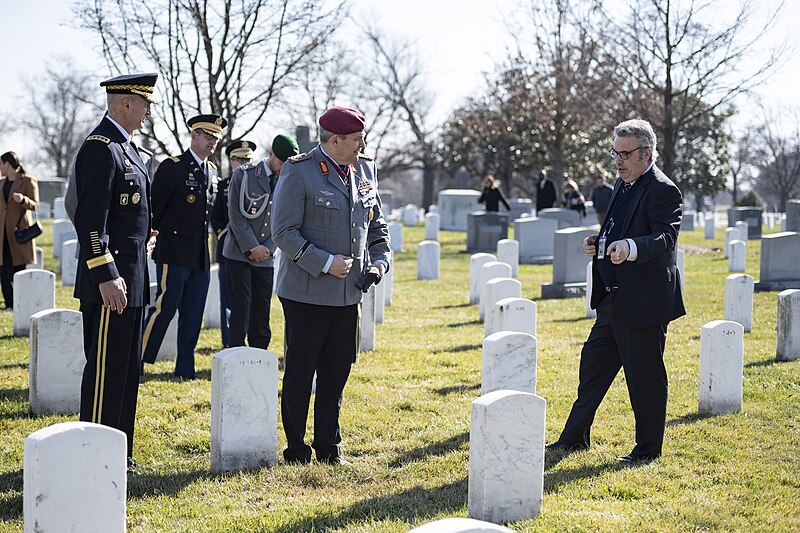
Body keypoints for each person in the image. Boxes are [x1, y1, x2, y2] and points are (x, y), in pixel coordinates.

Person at [547, 118, 685, 463]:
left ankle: (648, 450)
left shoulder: (663, 189)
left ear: (646, 153)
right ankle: (574, 438)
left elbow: (664, 237)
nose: (618, 160)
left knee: (644, 379)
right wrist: (601, 242)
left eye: (625, 154)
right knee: (592, 367)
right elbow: (616, 226)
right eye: (615, 152)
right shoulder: (622, 185)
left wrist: (631, 248)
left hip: (644, 300)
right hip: (612, 299)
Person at [271, 106, 391, 465]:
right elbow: (283, 232)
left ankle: (328, 446)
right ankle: (295, 449)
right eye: (356, 139)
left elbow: (377, 228)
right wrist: (325, 262)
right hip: (306, 293)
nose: (362, 144)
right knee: (300, 373)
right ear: (334, 140)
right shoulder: (299, 171)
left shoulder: (364, 169)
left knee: (337, 372)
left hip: (348, 294)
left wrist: (380, 264)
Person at [72, 73, 159, 470]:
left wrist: (144, 241)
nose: (147, 111)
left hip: (134, 276)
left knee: (126, 370)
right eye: (145, 104)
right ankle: (94, 451)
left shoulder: (130, 150)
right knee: (106, 370)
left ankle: (119, 451)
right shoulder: (100, 148)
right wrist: (105, 273)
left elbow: (126, 217)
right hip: (111, 282)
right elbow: (91, 221)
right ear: (125, 103)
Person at [141, 113, 227, 379]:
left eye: (216, 137)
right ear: (194, 135)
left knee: (193, 314)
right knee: (165, 307)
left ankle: (185, 367)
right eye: (208, 136)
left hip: (200, 255)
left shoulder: (212, 172)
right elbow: (154, 208)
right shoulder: (173, 166)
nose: (212, 142)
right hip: (174, 251)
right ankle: (139, 358)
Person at [223, 134, 299, 349]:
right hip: (239, 253)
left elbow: (288, 218)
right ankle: (235, 351)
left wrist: (268, 248)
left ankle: (259, 354)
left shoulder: (290, 180)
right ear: (270, 154)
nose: (284, 167)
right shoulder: (245, 175)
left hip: (266, 255)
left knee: (261, 309)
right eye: (281, 162)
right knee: (241, 308)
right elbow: (236, 216)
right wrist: (252, 247)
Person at [210, 139, 256, 348]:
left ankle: (248, 339)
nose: (244, 163)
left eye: (248, 159)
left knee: (251, 300)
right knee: (228, 299)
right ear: (231, 160)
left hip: (254, 251)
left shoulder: (258, 184)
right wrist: (227, 235)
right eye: (240, 159)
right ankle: (229, 342)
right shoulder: (223, 185)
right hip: (229, 249)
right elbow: (216, 216)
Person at [0, 151, 39, 309]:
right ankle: (9, 304)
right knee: (3, 270)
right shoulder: (1, 183)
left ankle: (20, 303)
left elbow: (35, 204)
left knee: (18, 270)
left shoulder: (28, 180)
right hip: (2, 235)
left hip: (18, 234)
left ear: (8, 164)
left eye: (1, 164)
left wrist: (23, 199)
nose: (0, 167)